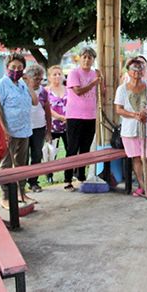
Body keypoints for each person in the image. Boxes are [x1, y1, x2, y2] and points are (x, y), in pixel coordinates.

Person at [0, 53, 38, 209]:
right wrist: (3, 130)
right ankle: (5, 197)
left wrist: (29, 84)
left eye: (20, 67)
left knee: (21, 164)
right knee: (6, 164)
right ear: (7, 68)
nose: (16, 70)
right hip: (8, 131)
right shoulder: (1, 85)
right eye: (13, 67)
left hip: (24, 129)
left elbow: (35, 101)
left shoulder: (23, 84)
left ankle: (21, 192)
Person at [115, 58, 147, 198]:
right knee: (136, 159)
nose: (137, 71)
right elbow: (119, 109)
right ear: (129, 71)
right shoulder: (122, 88)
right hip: (129, 129)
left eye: (140, 68)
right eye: (134, 68)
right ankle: (142, 186)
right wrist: (134, 115)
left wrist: (146, 111)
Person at [65, 47, 102, 191]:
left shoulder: (95, 74)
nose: (87, 60)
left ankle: (81, 176)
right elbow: (78, 91)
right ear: (79, 58)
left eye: (90, 57)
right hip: (75, 116)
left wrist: (100, 80)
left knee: (85, 149)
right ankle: (67, 178)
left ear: (93, 60)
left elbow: (101, 91)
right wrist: (94, 82)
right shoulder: (74, 73)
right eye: (84, 57)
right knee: (72, 148)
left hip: (90, 116)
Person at [26, 65, 52, 193]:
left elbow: (48, 112)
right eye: (36, 79)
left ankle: (33, 182)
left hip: (39, 128)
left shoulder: (43, 92)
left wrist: (48, 131)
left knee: (37, 155)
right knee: (23, 157)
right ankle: (21, 182)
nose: (38, 82)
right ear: (28, 78)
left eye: (40, 79)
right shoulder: (22, 90)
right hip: (24, 129)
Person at [46, 65, 68, 183]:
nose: (57, 76)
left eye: (59, 74)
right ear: (49, 77)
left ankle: (69, 174)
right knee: (51, 151)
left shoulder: (68, 89)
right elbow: (47, 108)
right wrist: (59, 117)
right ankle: (49, 174)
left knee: (70, 149)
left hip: (67, 125)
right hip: (53, 125)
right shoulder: (46, 90)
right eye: (54, 74)